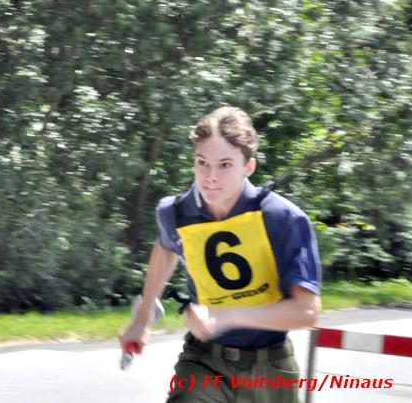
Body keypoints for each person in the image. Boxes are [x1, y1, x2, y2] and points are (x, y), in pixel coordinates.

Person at [119, 106, 321, 402]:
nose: (210, 177)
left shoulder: (282, 218)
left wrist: (225, 317)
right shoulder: (175, 213)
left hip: (270, 367)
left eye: (225, 165)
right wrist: (143, 317)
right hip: (204, 361)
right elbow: (165, 249)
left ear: (248, 166)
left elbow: (307, 311)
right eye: (202, 163)